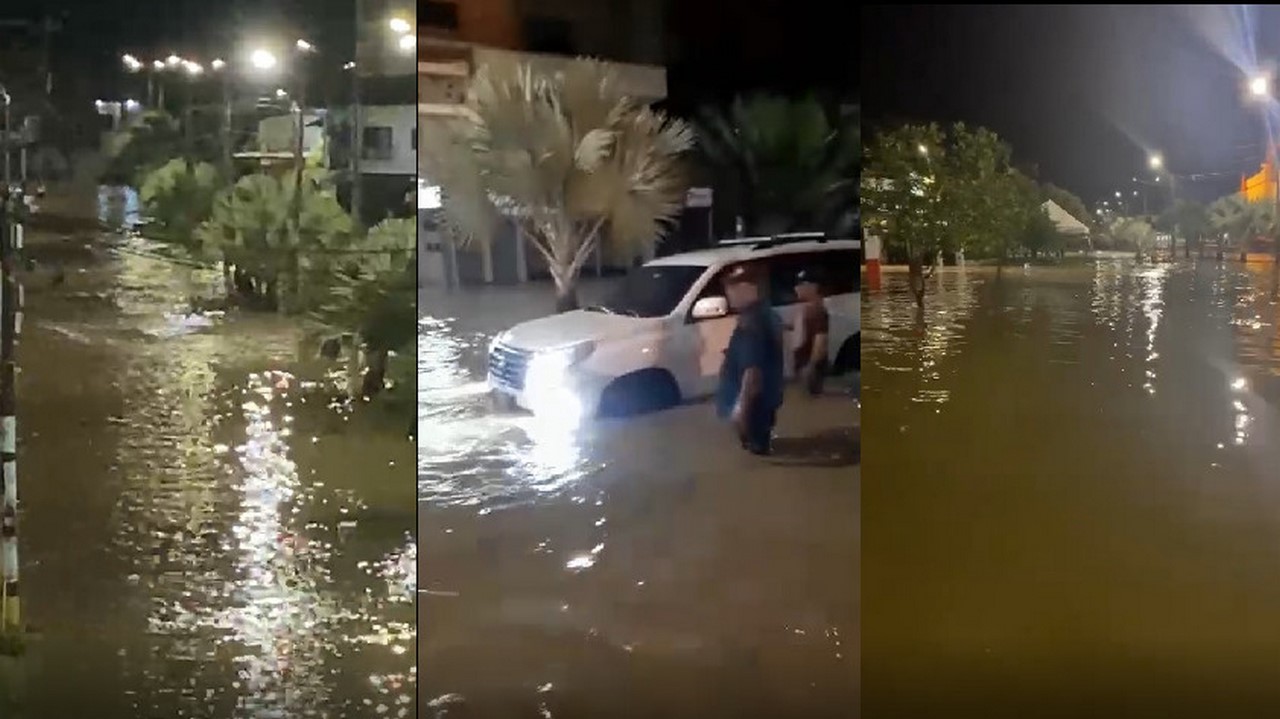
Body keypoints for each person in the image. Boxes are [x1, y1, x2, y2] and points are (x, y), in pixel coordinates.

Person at [715, 262, 785, 455]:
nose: (729, 293)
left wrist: (740, 409)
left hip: (753, 410)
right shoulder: (765, 315)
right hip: (763, 407)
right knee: (759, 450)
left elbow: (752, 374)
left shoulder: (752, 323)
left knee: (756, 456)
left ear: (748, 288)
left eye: (733, 287)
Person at [792, 268, 830, 395]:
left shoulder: (817, 311)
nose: (797, 288)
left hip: (809, 370)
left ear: (813, 287)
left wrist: (811, 368)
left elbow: (821, 341)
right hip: (804, 368)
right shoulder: (808, 309)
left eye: (801, 284)